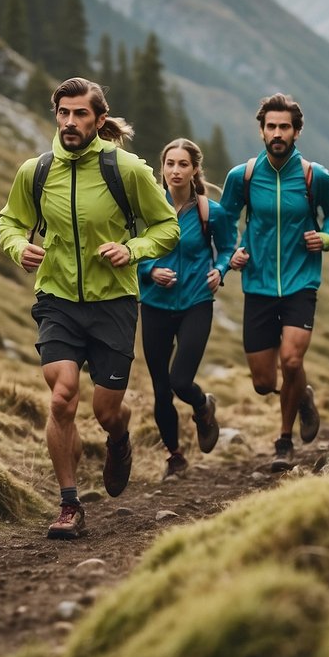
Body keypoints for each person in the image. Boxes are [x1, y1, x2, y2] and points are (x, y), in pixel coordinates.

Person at [0, 77, 179, 539]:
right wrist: (19, 247)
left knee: (105, 410)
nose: (71, 122)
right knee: (61, 398)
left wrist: (133, 250)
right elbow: (11, 221)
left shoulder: (127, 170)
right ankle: (69, 504)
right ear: (55, 115)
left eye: (81, 114)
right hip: (57, 299)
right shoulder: (35, 171)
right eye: (64, 113)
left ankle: (119, 438)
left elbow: (167, 227)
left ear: (100, 120)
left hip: (113, 303)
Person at [220, 93, 329, 472]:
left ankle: (284, 440)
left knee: (292, 360)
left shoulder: (313, 176)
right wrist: (231, 256)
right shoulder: (242, 176)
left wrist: (326, 238)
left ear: (296, 131)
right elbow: (225, 220)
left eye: (284, 127)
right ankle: (302, 394)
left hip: (300, 281)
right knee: (262, 381)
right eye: (271, 126)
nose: (278, 133)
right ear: (261, 131)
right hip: (258, 285)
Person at [137, 138, 236, 478]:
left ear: (195, 170)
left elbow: (226, 248)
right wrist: (149, 270)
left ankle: (202, 406)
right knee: (161, 389)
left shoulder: (212, 212)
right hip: (154, 304)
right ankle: (175, 456)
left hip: (196, 301)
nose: (175, 170)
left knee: (181, 380)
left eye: (183, 164)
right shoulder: (148, 208)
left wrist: (219, 270)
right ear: (161, 168)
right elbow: (128, 251)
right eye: (170, 164)